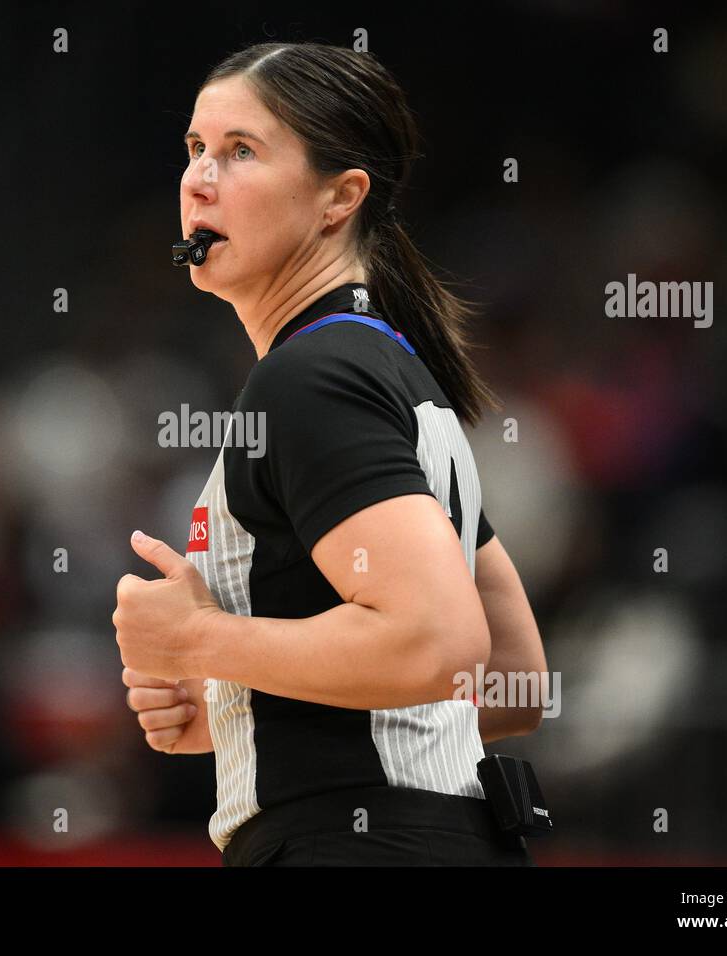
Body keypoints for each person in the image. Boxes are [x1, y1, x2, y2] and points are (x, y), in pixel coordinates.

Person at [115, 41, 548, 866]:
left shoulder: (312, 380)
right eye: (195, 149)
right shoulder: (387, 368)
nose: (200, 178)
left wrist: (199, 643)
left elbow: (441, 645)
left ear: (338, 198)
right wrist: (246, 713)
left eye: (241, 151)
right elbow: (516, 675)